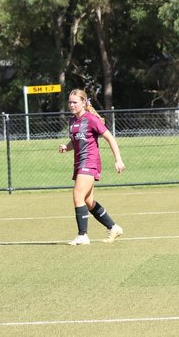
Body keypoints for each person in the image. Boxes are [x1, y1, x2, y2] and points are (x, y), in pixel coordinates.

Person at [58, 89, 125, 245]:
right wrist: (66, 147)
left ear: (83, 102)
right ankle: (114, 227)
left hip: (90, 162)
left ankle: (82, 235)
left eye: (75, 102)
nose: (72, 105)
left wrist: (118, 159)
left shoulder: (91, 119)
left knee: (77, 195)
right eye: (70, 102)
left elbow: (110, 138)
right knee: (88, 201)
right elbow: (76, 141)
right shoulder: (72, 121)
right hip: (79, 163)